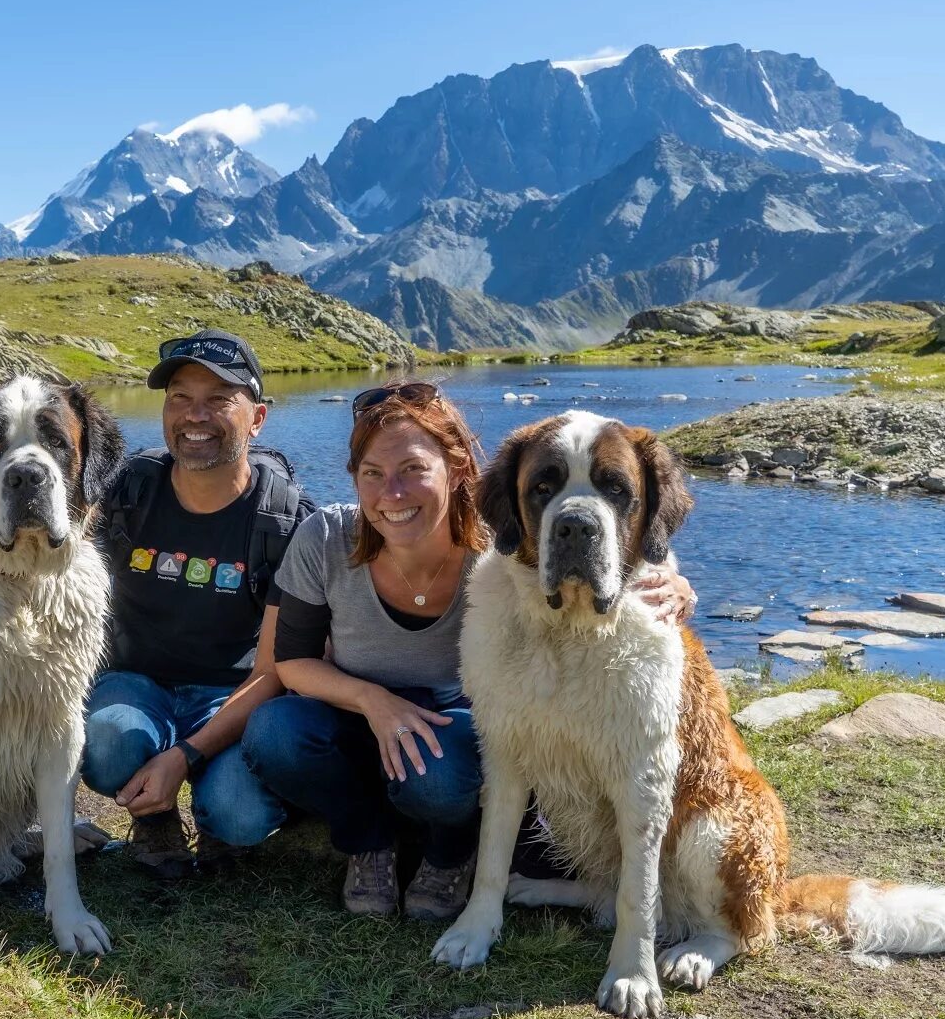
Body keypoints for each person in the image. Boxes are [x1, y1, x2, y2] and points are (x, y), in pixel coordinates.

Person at [242, 381, 694, 918]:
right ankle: (369, 845)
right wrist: (372, 701)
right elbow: (290, 661)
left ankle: (448, 855)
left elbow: (619, 534)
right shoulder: (328, 536)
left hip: (447, 729)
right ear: (355, 478)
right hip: (354, 717)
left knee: (443, 778)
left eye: (413, 469)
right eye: (373, 474)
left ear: (457, 467)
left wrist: (673, 577)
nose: (393, 494)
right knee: (275, 733)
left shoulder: (505, 536)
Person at [81, 328, 314, 877]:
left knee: (240, 813)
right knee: (108, 743)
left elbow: (277, 669)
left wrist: (185, 754)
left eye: (218, 400)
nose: (194, 416)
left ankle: (214, 820)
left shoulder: (286, 521)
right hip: (134, 682)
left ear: (257, 418)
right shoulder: (126, 492)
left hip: (232, 694)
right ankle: (155, 817)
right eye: (180, 398)